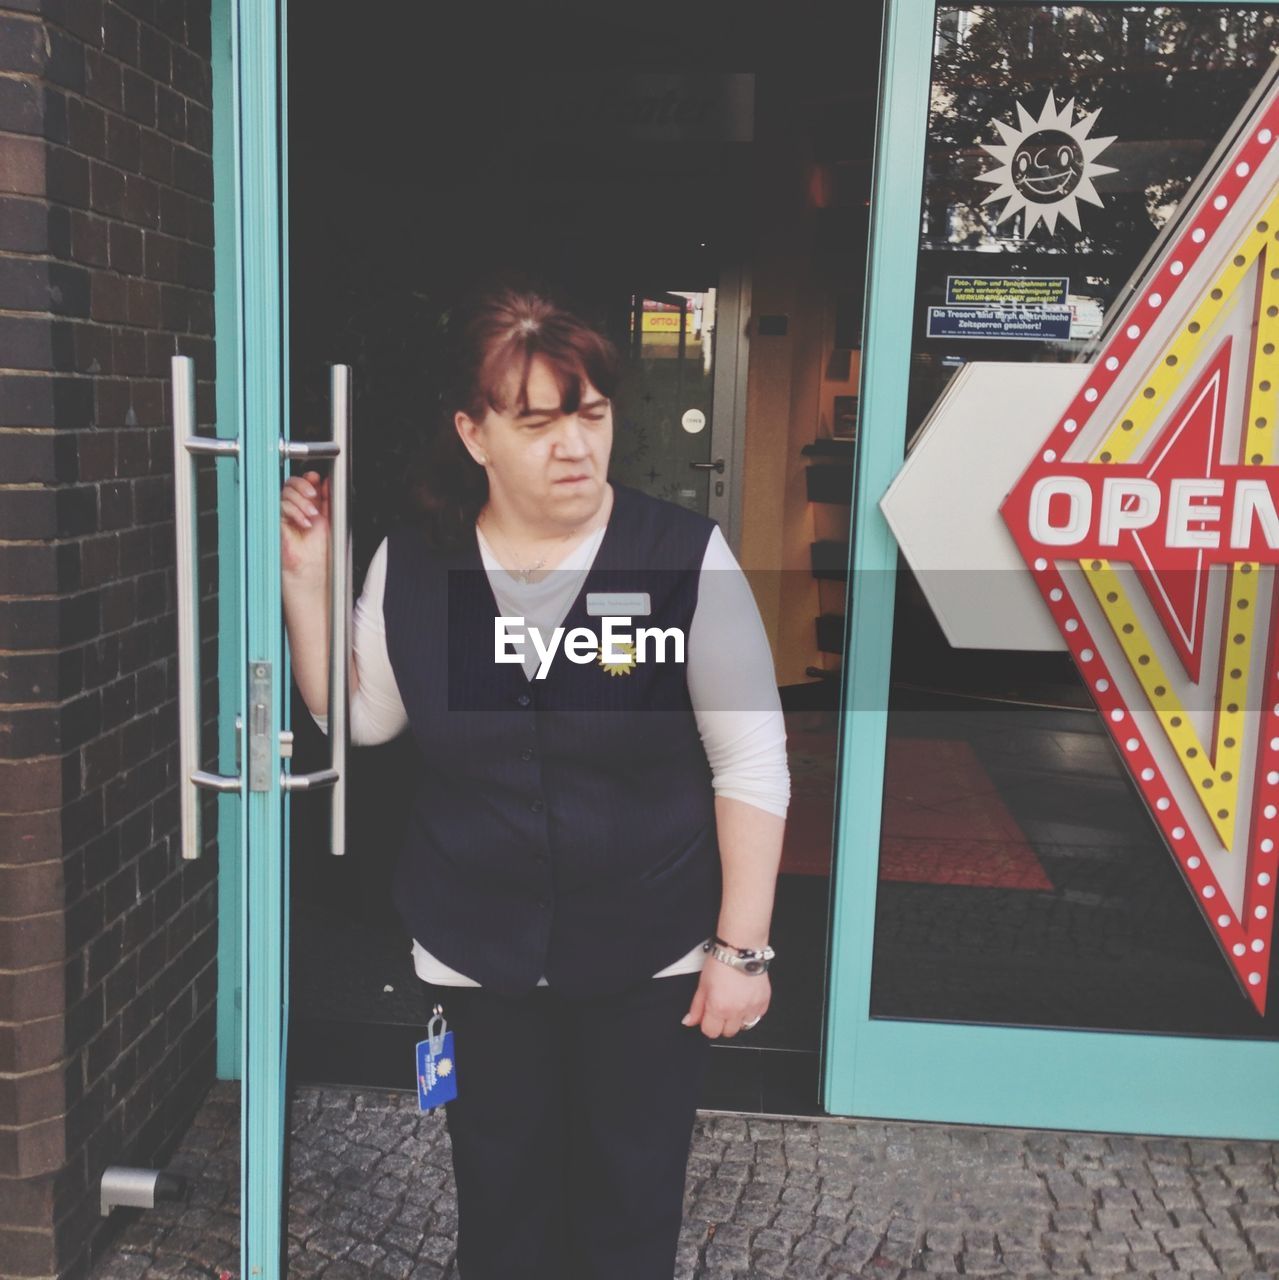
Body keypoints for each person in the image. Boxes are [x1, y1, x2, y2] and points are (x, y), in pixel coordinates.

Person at [280, 287, 789, 1279]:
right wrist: (309, 587)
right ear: (473, 434)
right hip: (479, 950)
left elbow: (751, 759)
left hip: (650, 953)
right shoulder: (418, 566)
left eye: (591, 414)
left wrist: (741, 948)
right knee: (501, 1202)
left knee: (628, 1205)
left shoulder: (681, 559)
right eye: (538, 420)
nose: (574, 445)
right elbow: (366, 719)